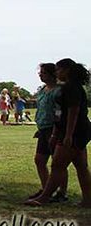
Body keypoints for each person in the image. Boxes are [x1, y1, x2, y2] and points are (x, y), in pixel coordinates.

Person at [26, 58, 91, 207]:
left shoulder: (71, 88)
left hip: (75, 132)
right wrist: (57, 133)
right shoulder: (70, 87)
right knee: (81, 166)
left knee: (57, 165)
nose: (57, 72)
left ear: (67, 70)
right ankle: (88, 200)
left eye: (58, 69)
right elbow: (60, 114)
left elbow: (73, 112)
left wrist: (68, 135)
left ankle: (44, 198)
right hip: (77, 131)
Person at [26, 63, 68, 202]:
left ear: (52, 74)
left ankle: (62, 192)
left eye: (43, 72)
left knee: (58, 162)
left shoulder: (59, 90)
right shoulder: (43, 90)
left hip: (54, 129)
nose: (40, 75)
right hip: (43, 129)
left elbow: (60, 111)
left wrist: (56, 131)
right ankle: (46, 189)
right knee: (39, 160)